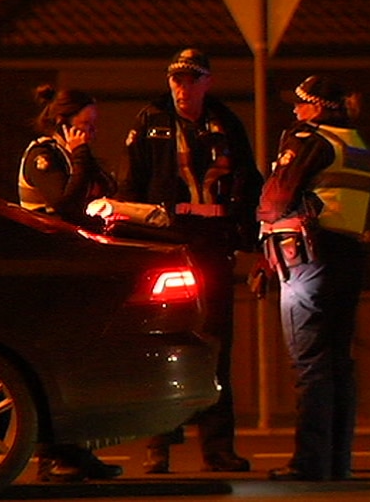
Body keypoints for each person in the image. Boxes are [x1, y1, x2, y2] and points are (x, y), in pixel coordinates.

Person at [117, 48, 263, 473]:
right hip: (167, 246)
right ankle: (158, 445)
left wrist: (247, 240)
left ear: (207, 83)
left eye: (190, 79)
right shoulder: (150, 121)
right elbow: (131, 186)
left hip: (213, 247)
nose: (181, 88)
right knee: (164, 340)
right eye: (175, 79)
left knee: (216, 344)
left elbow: (248, 181)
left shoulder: (226, 123)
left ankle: (218, 448)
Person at [255, 75, 370, 481]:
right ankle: (337, 460)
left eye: (301, 104)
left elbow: (275, 201)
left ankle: (309, 463)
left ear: (319, 107)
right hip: (347, 257)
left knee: (310, 364)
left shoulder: (310, 140)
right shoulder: (355, 143)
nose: (295, 110)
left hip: (308, 258)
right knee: (339, 363)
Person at [17, 84, 122, 482]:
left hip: (75, 264)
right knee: (59, 359)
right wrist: (80, 156)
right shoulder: (44, 156)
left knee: (82, 361)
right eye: (86, 126)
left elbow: (102, 190)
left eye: (94, 127)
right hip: (49, 269)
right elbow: (64, 203)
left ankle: (76, 451)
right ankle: (55, 455)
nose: (92, 133)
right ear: (64, 123)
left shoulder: (73, 154)